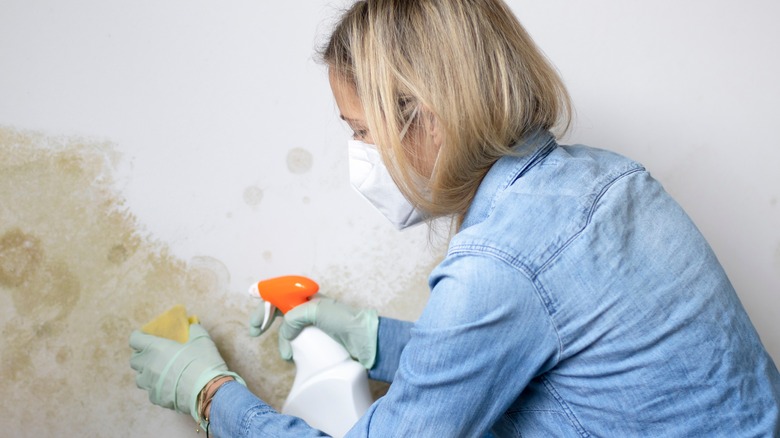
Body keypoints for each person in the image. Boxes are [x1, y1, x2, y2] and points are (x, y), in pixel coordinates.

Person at [129, 0, 780, 436]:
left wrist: (212, 394)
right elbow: (512, 357)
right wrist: (370, 336)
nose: (358, 156)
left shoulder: (499, 264)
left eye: (362, 131)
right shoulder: (608, 179)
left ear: (430, 118)